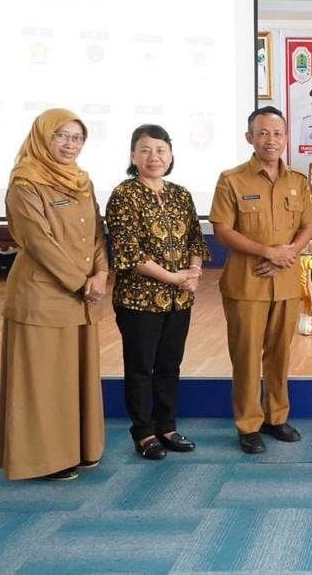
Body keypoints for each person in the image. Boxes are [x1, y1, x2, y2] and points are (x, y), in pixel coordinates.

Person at [0, 108, 107, 481]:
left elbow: (97, 232)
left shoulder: (82, 180)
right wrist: (82, 282)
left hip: (82, 296)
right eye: (62, 136)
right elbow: (38, 242)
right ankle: (45, 460)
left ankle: (80, 448)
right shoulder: (25, 182)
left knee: (73, 379)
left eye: (77, 138)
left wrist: (102, 273)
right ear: (43, 137)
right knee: (42, 382)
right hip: (42, 296)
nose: (70, 144)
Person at [210, 106, 312, 453]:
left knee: (279, 355)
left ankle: (276, 417)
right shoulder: (232, 180)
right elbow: (222, 230)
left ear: (285, 137)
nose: (271, 140)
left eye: (277, 133)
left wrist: (288, 253)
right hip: (247, 283)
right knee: (246, 358)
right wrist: (267, 252)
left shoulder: (298, 181)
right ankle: (248, 425)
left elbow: (308, 225)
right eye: (263, 133)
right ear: (250, 137)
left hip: (285, 282)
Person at [106, 124, 210, 460]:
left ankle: (167, 427)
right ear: (132, 156)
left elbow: (196, 240)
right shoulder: (124, 194)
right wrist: (174, 277)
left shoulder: (181, 194)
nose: (154, 157)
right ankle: (144, 433)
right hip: (139, 300)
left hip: (180, 300)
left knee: (169, 365)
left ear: (171, 155)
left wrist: (194, 272)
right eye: (145, 150)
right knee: (141, 368)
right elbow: (129, 252)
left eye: (161, 150)